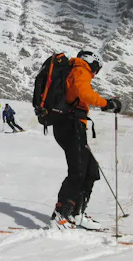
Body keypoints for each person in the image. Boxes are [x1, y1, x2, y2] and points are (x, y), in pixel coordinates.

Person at [48, 50, 121, 229]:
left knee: (90, 170)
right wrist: (107, 103)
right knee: (78, 171)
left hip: (73, 125)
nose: (95, 74)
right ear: (92, 63)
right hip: (70, 125)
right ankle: (60, 214)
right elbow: (84, 92)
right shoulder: (80, 70)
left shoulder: (76, 70)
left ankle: (76, 213)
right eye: (96, 69)